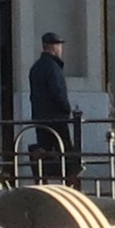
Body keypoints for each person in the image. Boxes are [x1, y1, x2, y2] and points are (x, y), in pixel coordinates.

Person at [24, 32, 78, 183]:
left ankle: (42, 180)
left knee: (44, 150)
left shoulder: (36, 67)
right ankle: (71, 182)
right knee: (66, 150)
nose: (61, 49)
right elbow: (57, 92)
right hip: (56, 117)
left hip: (40, 116)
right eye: (59, 46)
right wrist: (67, 108)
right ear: (53, 47)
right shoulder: (53, 67)